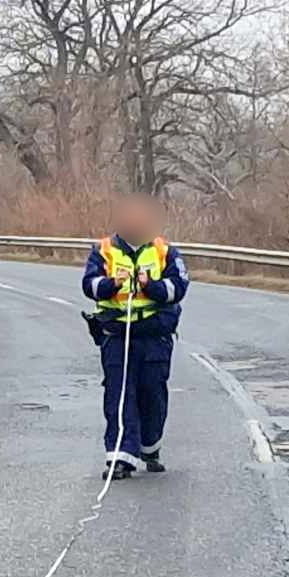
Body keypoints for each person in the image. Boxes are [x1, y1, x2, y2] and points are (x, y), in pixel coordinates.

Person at [81, 192, 191, 478]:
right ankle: (120, 458)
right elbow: (89, 285)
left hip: (155, 336)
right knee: (119, 395)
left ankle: (150, 448)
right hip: (117, 335)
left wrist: (151, 286)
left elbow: (178, 287)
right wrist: (111, 284)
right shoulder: (103, 250)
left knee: (152, 394)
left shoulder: (165, 252)